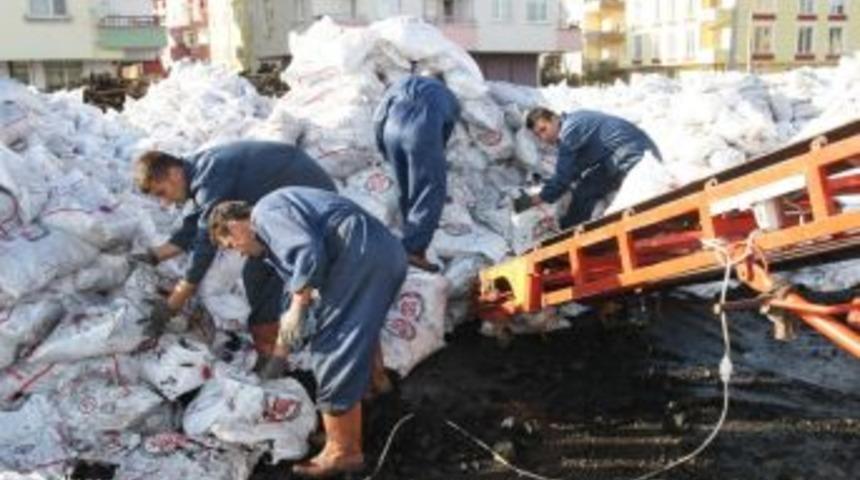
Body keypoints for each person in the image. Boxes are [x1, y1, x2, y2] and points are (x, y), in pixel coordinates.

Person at [209, 187, 408, 478]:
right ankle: (376, 388)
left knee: (332, 344)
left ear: (235, 224)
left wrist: (298, 307)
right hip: (382, 253)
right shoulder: (276, 231)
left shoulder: (265, 214)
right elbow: (299, 289)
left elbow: (307, 253)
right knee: (357, 328)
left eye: (230, 243)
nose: (237, 251)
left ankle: (343, 450)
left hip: (359, 257)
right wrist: (280, 356)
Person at [132, 140, 337, 359]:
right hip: (296, 203)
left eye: (162, 192)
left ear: (173, 174)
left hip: (313, 208)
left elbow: (205, 242)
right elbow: (200, 221)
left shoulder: (211, 175)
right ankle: (278, 345)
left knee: (260, 273)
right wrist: (155, 255)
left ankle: (278, 353)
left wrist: (174, 301)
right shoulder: (201, 171)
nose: (164, 203)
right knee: (256, 271)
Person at [516, 107, 662, 229]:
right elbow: (575, 168)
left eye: (543, 129)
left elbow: (563, 177)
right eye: (538, 135)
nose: (544, 137)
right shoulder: (574, 122)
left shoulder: (568, 131)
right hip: (627, 152)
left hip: (632, 154)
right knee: (586, 186)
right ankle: (571, 230)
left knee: (586, 191)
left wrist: (537, 199)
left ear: (554, 118)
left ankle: (567, 234)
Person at [373, 74, 460, 272]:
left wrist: (383, 147)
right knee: (430, 189)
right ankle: (413, 250)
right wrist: (434, 152)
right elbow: (445, 132)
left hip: (390, 131)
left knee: (405, 188)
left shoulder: (401, 83)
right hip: (423, 131)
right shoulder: (449, 96)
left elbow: (378, 117)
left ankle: (408, 237)